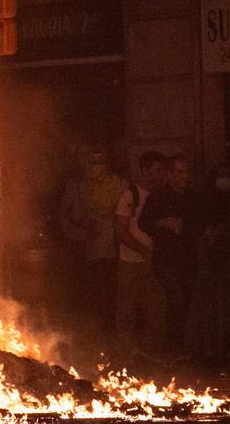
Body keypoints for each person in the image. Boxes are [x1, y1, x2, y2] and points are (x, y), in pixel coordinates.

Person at [59, 147, 126, 344]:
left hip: (111, 251)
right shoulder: (77, 187)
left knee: (109, 292)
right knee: (89, 293)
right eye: (94, 162)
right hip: (84, 249)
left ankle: (107, 334)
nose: (98, 167)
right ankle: (89, 335)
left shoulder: (118, 185)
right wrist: (81, 233)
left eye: (102, 162)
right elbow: (65, 218)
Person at [139, 154, 202, 354]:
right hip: (167, 261)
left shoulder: (193, 198)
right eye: (178, 172)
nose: (183, 176)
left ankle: (181, 349)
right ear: (170, 174)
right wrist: (164, 222)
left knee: (185, 304)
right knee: (176, 302)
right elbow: (144, 223)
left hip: (188, 261)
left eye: (186, 172)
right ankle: (174, 349)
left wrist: (187, 227)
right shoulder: (158, 198)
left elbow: (201, 224)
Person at [114, 151, 169, 360]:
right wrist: (142, 250)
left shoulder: (161, 195)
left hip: (153, 263)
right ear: (144, 170)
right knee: (127, 309)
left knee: (156, 308)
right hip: (130, 262)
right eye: (155, 170)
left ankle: (150, 354)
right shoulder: (130, 195)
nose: (159, 175)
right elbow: (120, 230)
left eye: (162, 170)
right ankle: (127, 355)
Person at [197, 162, 230, 359]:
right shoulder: (207, 197)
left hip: (229, 254)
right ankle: (210, 345)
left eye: (228, 175)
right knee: (210, 301)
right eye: (221, 175)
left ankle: (229, 343)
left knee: (229, 300)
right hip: (209, 255)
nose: (224, 179)